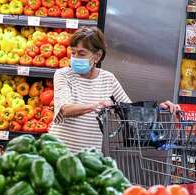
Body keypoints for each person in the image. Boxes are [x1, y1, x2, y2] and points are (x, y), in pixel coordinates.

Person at [48, 27, 177, 153]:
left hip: (89, 158)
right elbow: (65, 109)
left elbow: (131, 112)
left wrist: (159, 109)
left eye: (81, 54)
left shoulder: (108, 79)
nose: (75, 58)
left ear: (97, 56)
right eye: (73, 52)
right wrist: (96, 106)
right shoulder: (63, 75)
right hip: (58, 153)